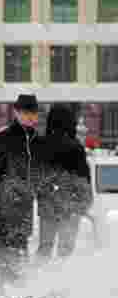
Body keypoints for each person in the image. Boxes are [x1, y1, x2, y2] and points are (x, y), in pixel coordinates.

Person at [0, 94, 44, 284]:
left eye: (33, 113)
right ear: (16, 113)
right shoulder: (3, 139)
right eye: (26, 112)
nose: (31, 117)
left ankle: (18, 284)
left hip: (25, 203)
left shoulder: (37, 141)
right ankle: (6, 285)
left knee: (21, 242)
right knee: (5, 243)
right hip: (5, 202)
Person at [36, 105, 91, 261]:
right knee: (66, 248)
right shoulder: (76, 147)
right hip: (70, 203)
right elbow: (83, 177)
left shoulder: (42, 145)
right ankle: (62, 273)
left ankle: (38, 273)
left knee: (45, 246)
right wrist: (85, 202)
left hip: (48, 202)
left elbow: (37, 174)